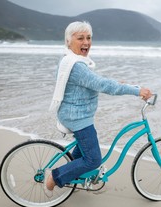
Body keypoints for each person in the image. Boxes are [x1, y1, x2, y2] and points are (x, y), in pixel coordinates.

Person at [44, 21, 152, 196]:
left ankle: (72, 175)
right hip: (77, 117)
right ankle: (55, 178)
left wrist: (122, 84)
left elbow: (95, 81)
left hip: (74, 114)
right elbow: (102, 84)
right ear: (68, 41)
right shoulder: (76, 66)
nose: (86, 42)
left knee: (83, 152)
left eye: (88, 38)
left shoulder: (71, 61)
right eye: (80, 38)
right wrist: (136, 90)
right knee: (93, 160)